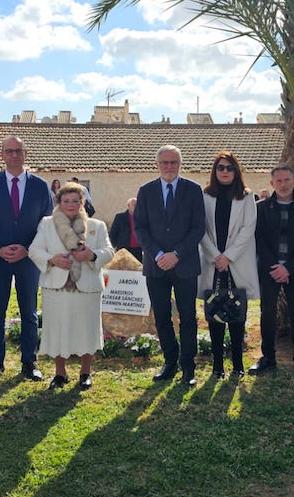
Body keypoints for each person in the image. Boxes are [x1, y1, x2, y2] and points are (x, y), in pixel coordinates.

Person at [0, 135, 53, 384]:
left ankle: (29, 362)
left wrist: (29, 249)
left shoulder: (40, 186)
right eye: (9, 151)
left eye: (18, 151)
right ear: (2, 155)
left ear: (26, 153)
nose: (14, 155)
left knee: (29, 311)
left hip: (28, 259)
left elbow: (46, 224)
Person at [30, 182, 115, 389]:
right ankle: (60, 373)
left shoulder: (97, 226)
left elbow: (109, 251)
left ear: (82, 202)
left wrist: (91, 255)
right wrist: (52, 259)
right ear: (58, 202)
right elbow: (34, 250)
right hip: (57, 287)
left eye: (75, 201)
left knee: (87, 329)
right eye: (66, 201)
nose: (70, 204)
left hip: (87, 287)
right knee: (58, 329)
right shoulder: (46, 224)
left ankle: (85, 372)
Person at [134, 145, 205, 386]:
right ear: (157, 165)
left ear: (180, 164)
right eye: (164, 162)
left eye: (173, 162)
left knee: (187, 316)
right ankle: (169, 361)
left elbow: (198, 228)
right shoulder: (146, 191)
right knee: (162, 316)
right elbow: (141, 228)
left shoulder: (193, 190)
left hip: (184, 265)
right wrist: (158, 254)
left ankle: (188, 366)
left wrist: (176, 253)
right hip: (156, 266)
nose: (169, 167)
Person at [250, 165, 294, 382]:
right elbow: (258, 239)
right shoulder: (260, 208)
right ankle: (268, 357)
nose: (283, 184)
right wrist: (275, 267)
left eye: (287, 180)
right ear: (272, 184)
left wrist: (287, 268)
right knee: (267, 315)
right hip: (269, 271)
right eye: (278, 181)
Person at [198, 152, 259, 379]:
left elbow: (248, 228)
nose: (225, 171)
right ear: (215, 171)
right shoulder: (205, 196)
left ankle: (237, 364)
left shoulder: (246, 196)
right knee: (214, 314)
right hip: (213, 263)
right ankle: (216, 366)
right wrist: (216, 256)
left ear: (236, 171)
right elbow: (200, 228)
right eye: (221, 167)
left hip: (235, 263)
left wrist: (228, 257)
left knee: (237, 314)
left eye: (230, 168)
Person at [109, 198, 142, 262]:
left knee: (137, 269)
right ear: (128, 206)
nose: (136, 206)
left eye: (137, 205)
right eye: (134, 205)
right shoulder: (120, 217)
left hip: (138, 249)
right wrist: (114, 247)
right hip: (124, 248)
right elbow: (113, 233)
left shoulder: (141, 218)